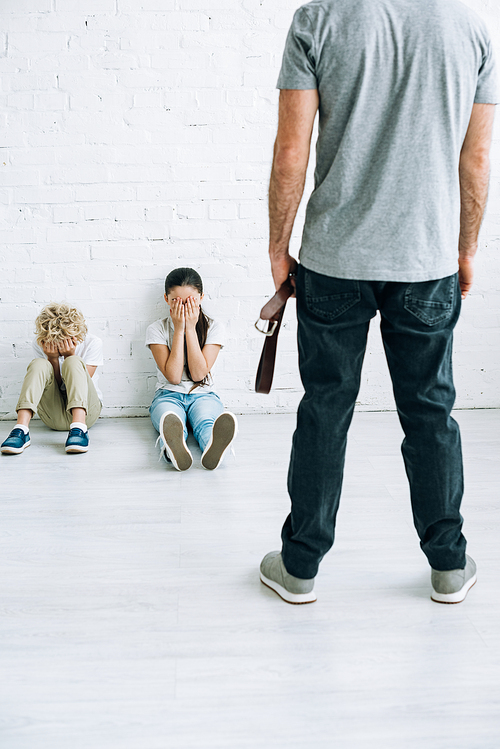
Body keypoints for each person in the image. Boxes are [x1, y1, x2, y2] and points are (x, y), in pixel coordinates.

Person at [259, 0, 498, 605]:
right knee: (429, 412)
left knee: (325, 409)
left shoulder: (319, 19)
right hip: (427, 261)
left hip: (334, 260)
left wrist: (278, 247)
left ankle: (300, 566)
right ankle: (448, 565)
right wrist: (466, 248)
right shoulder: (472, 28)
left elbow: (292, 151)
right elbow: (475, 159)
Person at [146, 267, 237, 471]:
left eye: (189, 301)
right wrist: (179, 329)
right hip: (168, 394)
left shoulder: (214, 327)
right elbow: (174, 377)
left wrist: (190, 329)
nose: (183, 307)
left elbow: (198, 374)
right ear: (166, 299)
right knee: (169, 420)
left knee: (206, 422)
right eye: (177, 301)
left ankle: (213, 448)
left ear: (201, 298)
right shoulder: (157, 329)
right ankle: (174, 450)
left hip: (203, 395)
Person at [1, 303, 103, 455]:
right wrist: (52, 359)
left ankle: (79, 429)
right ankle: (21, 429)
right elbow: (52, 386)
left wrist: (70, 355)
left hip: (87, 414)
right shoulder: (42, 343)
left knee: (73, 361)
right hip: (52, 416)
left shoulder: (92, 343)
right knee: (39, 363)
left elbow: (80, 387)